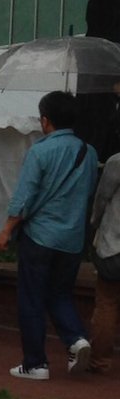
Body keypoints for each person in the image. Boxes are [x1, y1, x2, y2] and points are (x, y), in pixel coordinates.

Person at [0, 91, 98, 380]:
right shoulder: (87, 151)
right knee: (60, 293)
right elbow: (88, 192)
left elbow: (24, 197)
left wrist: (6, 230)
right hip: (72, 237)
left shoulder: (40, 151)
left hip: (40, 234)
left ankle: (35, 363)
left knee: (31, 298)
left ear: (45, 120)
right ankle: (76, 339)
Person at [87, 144, 120, 374]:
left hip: (115, 243)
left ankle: (100, 360)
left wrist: (94, 223)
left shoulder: (117, 161)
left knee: (107, 303)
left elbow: (102, 197)